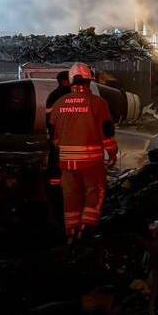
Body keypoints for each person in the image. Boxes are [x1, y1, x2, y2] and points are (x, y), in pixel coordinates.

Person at [47, 63, 118, 242]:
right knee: (96, 191)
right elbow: (107, 133)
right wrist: (112, 153)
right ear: (89, 80)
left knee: (71, 197)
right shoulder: (98, 103)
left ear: (71, 81)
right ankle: (86, 228)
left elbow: (54, 138)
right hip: (90, 163)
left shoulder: (58, 104)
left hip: (66, 163)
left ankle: (71, 233)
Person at [45, 70, 71, 186]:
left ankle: (54, 178)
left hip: (56, 130)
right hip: (63, 131)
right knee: (61, 154)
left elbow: (48, 115)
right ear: (65, 81)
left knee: (55, 155)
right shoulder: (65, 95)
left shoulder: (53, 95)